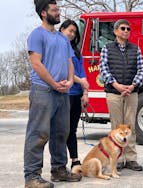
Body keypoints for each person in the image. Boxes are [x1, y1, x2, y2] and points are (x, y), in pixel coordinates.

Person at [24, 1, 82, 188]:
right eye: (55, 10)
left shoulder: (63, 38)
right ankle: (32, 177)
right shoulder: (36, 35)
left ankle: (59, 170)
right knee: (38, 134)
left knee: (61, 133)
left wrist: (71, 80)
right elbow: (36, 64)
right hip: (43, 90)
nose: (59, 13)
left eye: (58, 9)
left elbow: (69, 62)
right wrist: (53, 83)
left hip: (62, 92)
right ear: (43, 13)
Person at [100, 19, 143, 171]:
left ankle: (131, 159)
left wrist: (132, 86)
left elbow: (141, 70)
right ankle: (117, 159)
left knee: (130, 126)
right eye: (123, 28)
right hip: (113, 93)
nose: (126, 31)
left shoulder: (136, 49)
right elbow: (104, 69)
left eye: (128, 29)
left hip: (131, 92)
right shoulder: (107, 48)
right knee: (116, 126)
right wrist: (116, 85)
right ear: (115, 31)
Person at [59, 19, 89, 170]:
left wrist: (85, 92)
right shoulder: (59, 48)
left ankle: (75, 160)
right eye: (69, 30)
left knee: (72, 130)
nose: (72, 34)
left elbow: (82, 73)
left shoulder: (77, 52)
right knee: (62, 130)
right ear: (62, 29)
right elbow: (65, 69)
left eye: (74, 32)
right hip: (65, 94)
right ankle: (59, 163)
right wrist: (81, 81)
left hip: (77, 94)